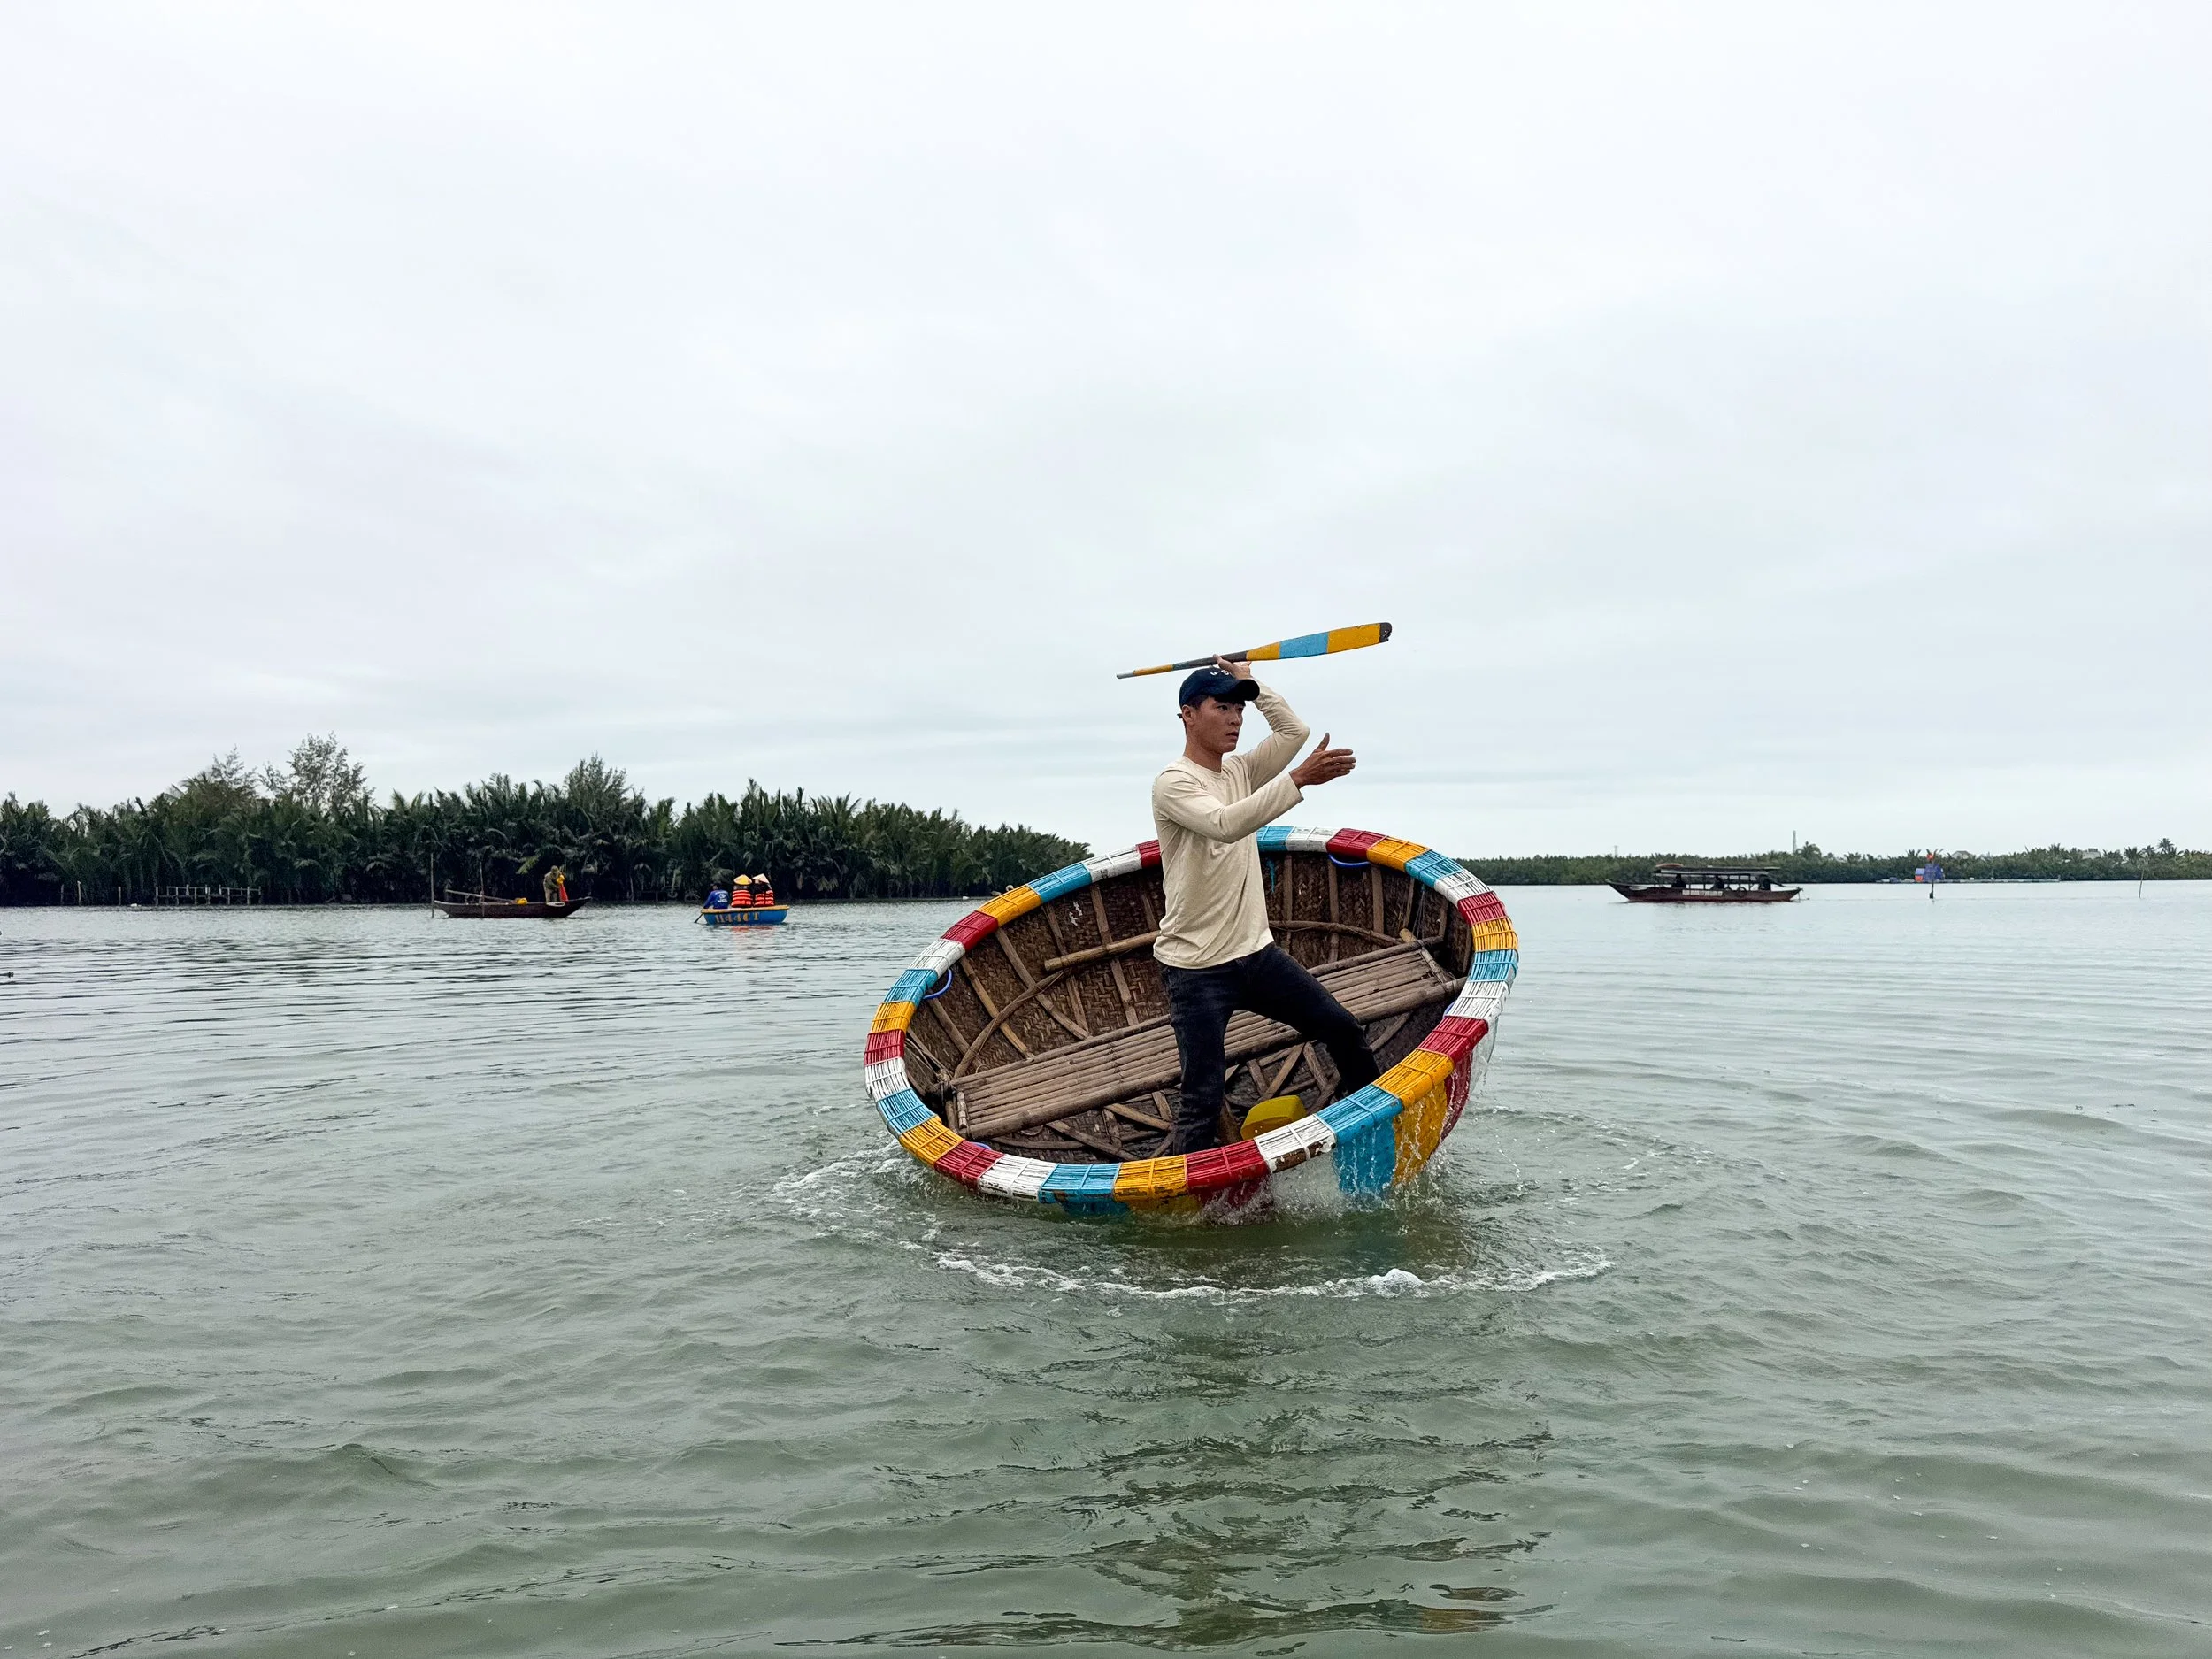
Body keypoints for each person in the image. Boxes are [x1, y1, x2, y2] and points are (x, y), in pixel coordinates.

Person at [1151, 656, 1373, 1154]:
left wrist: (1252, 680)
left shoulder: (1239, 770)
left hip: (1257, 955)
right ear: (1188, 714)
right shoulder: (1175, 782)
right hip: (1196, 968)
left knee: (1343, 1031)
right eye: (1222, 707)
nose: (1235, 718)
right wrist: (1299, 780)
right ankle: (1176, 1210)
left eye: (1240, 708)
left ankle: (1375, 1130)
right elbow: (1228, 824)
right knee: (1202, 1101)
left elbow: (1294, 730)